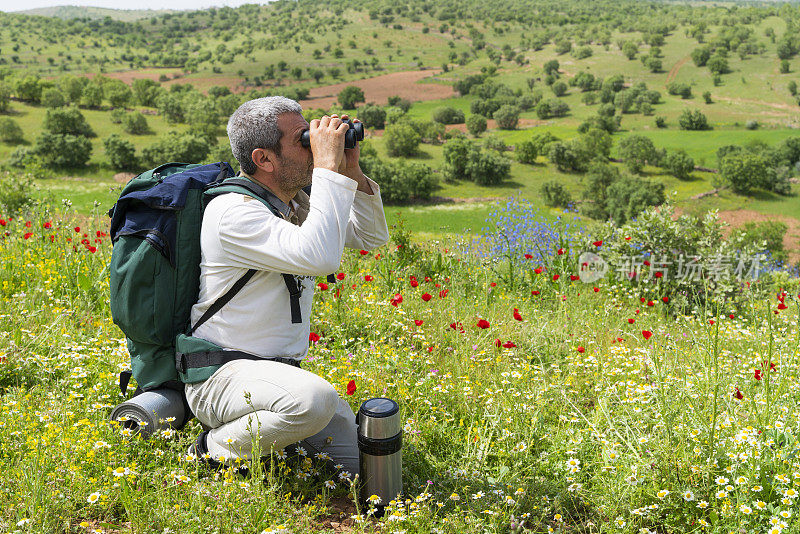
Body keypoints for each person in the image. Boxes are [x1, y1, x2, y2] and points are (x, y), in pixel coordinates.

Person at [185, 96, 390, 478]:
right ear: (264, 159)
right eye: (302, 139)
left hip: (277, 376)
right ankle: (211, 448)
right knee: (314, 400)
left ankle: (269, 439)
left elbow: (371, 236)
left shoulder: (293, 205)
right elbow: (321, 257)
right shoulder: (233, 212)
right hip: (221, 375)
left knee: (361, 468)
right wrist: (328, 168)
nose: (315, 144)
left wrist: (351, 170)